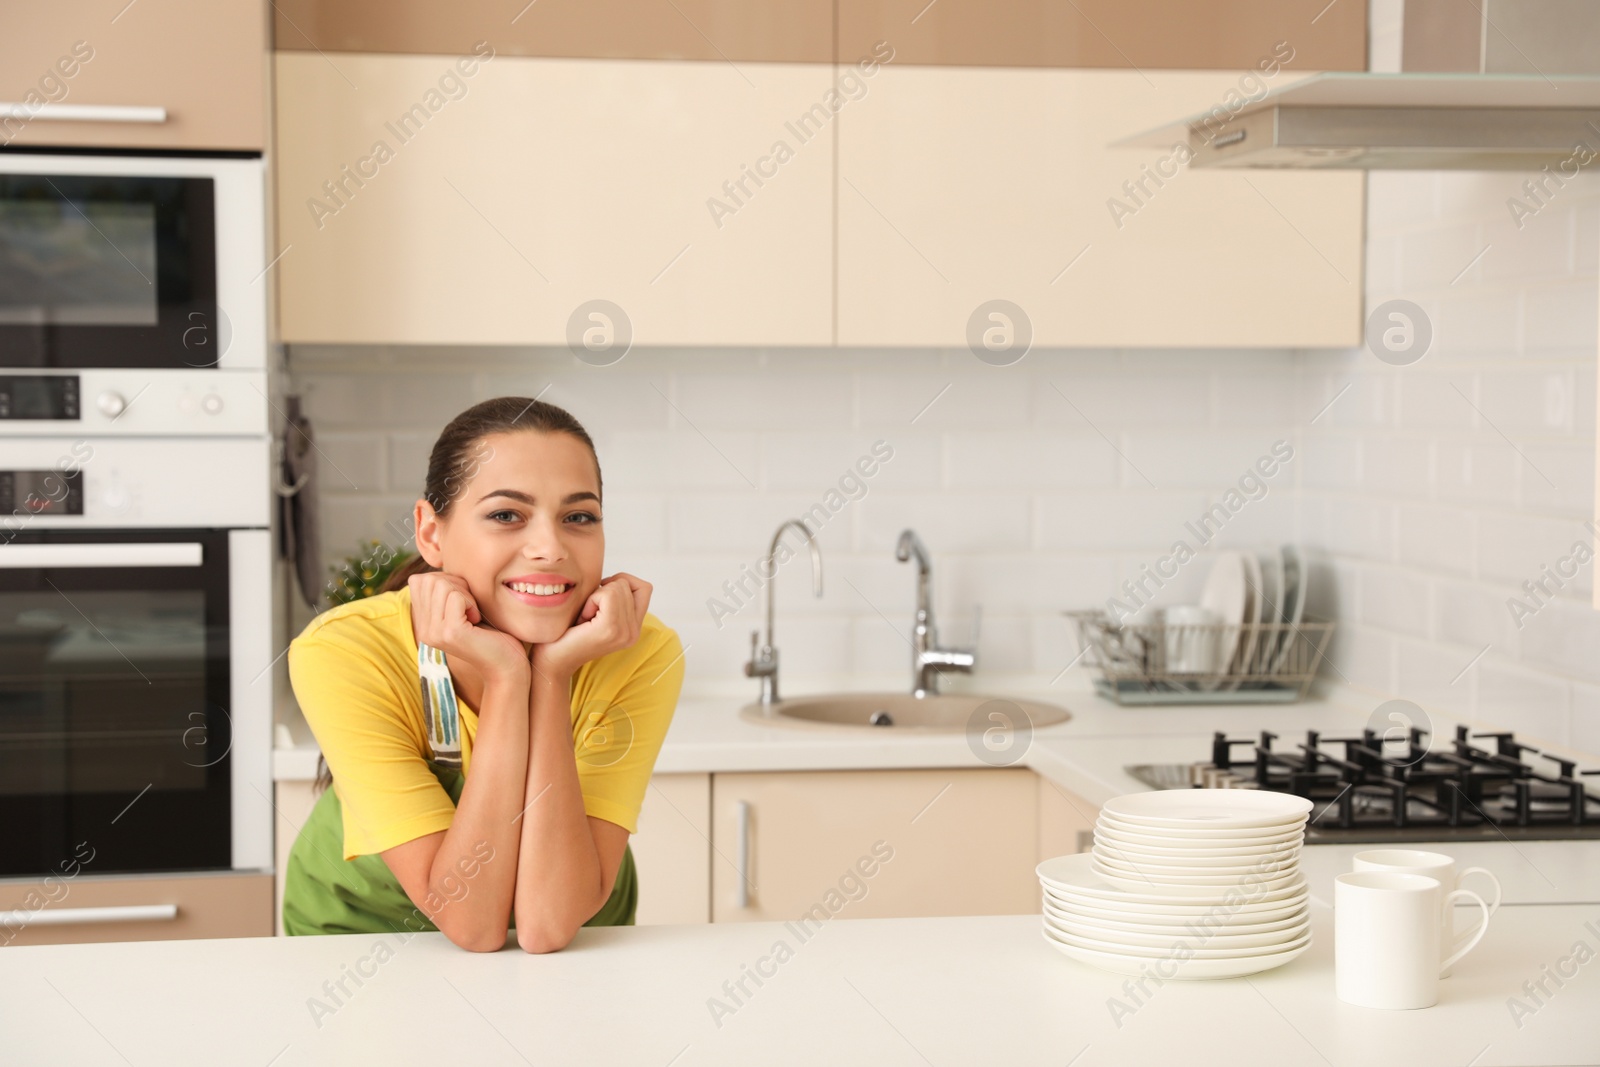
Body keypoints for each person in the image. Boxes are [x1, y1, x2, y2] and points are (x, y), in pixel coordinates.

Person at [281, 397, 684, 952]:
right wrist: (505, 680)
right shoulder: (346, 650)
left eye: (579, 517)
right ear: (431, 534)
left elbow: (546, 926)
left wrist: (550, 674)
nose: (550, 548)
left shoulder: (637, 651)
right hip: (366, 940)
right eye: (505, 515)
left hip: (579, 947)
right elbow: (471, 923)